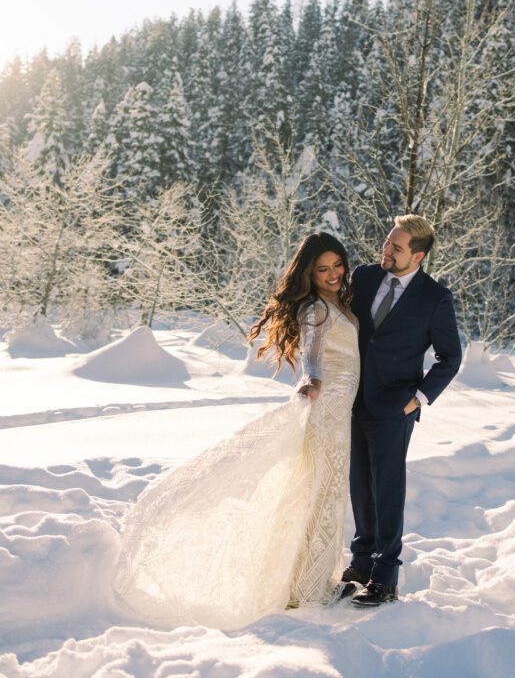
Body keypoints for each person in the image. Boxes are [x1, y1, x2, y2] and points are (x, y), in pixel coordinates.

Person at [113, 232, 359, 628]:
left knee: (326, 493)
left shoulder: (341, 302)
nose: (332, 274)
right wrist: (309, 382)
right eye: (322, 269)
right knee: (318, 493)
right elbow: (312, 357)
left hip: (342, 415)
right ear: (309, 274)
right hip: (326, 412)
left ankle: (312, 580)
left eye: (336, 266)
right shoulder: (315, 309)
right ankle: (309, 588)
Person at [343, 214, 462, 607]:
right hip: (352, 400)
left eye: (396, 247)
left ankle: (385, 576)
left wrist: (419, 398)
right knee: (359, 485)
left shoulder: (434, 298)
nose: (386, 250)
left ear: (419, 256)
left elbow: (450, 357)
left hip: (395, 408)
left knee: (387, 490)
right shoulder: (362, 277)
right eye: (387, 241)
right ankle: (360, 565)